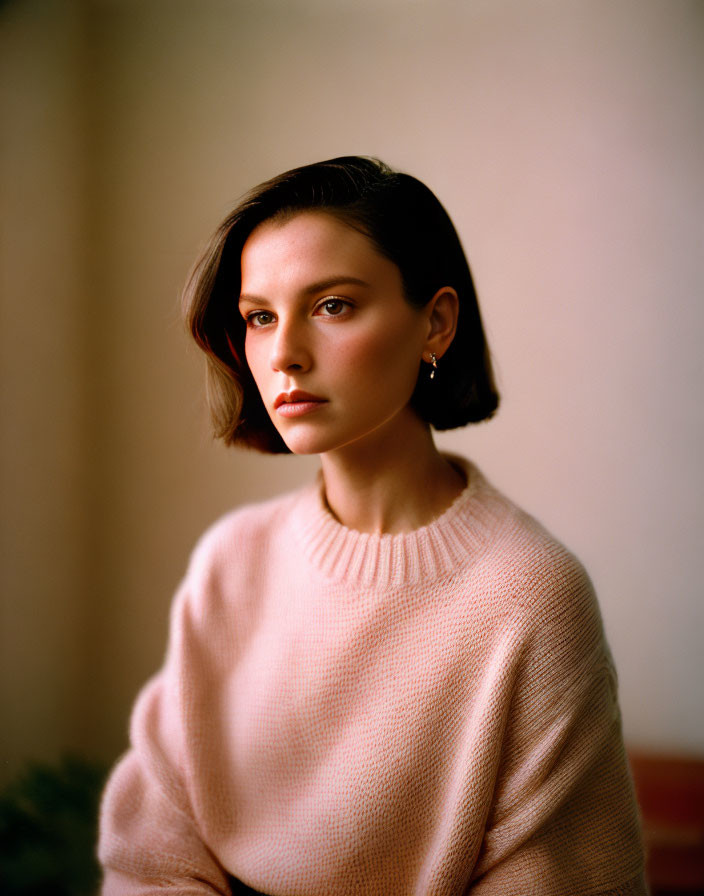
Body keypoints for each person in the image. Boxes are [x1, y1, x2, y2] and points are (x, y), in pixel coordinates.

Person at [98, 157, 646, 894]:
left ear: (437, 323)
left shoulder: (530, 597)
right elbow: (150, 857)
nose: (284, 352)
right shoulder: (230, 562)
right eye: (260, 316)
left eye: (332, 306)